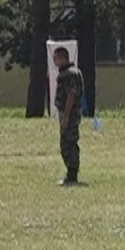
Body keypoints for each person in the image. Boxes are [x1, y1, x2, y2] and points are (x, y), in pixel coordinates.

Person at [54, 46, 85, 185]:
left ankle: (72, 174)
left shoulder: (69, 74)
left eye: (56, 58)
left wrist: (66, 116)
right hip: (70, 112)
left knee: (68, 143)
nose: (55, 61)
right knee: (67, 142)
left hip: (70, 113)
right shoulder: (71, 72)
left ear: (63, 58)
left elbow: (71, 95)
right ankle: (71, 172)